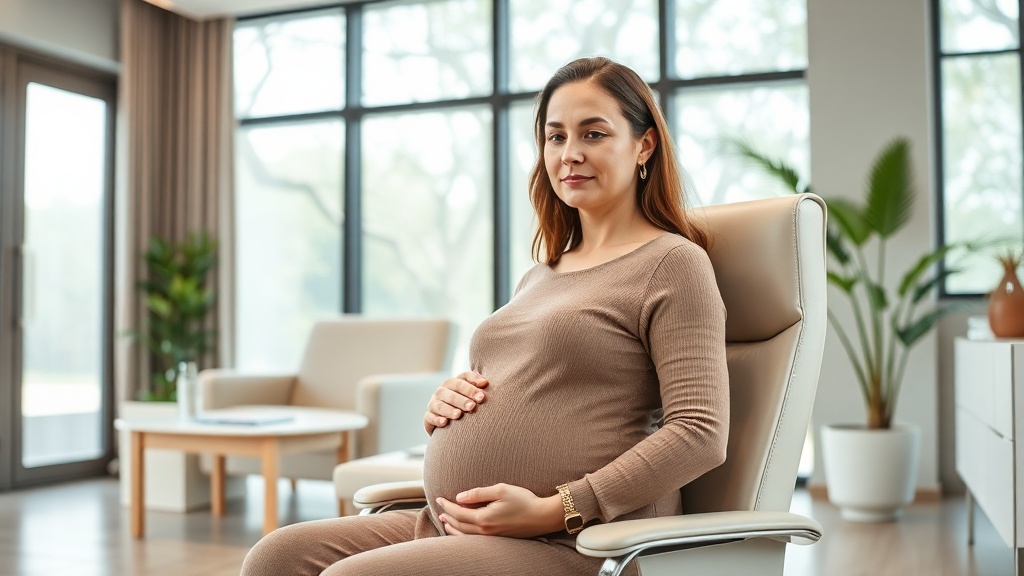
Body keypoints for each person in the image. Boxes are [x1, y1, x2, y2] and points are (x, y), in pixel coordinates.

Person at [240, 56, 729, 576]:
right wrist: (448, 404)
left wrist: (557, 508)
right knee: (276, 556)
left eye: (594, 134)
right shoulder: (542, 274)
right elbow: (532, 387)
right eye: (555, 137)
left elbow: (699, 431)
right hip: (455, 523)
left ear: (644, 145)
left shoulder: (673, 264)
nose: (570, 154)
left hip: (576, 542)